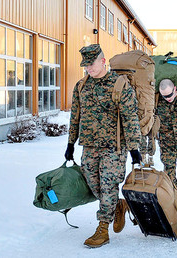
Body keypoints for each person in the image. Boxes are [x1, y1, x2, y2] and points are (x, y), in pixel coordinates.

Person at [64, 44, 142, 248]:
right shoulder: (81, 86)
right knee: (94, 185)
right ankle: (117, 206)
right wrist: (70, 143)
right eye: (85, 65)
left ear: (103, 61)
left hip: (113, 148)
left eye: (91, 64)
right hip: (89, 146)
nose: (88, 68)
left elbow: (130, 117)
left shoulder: (119, 85)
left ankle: (102, 229)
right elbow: (75, 117)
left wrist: (134, 148)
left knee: (108, 186)